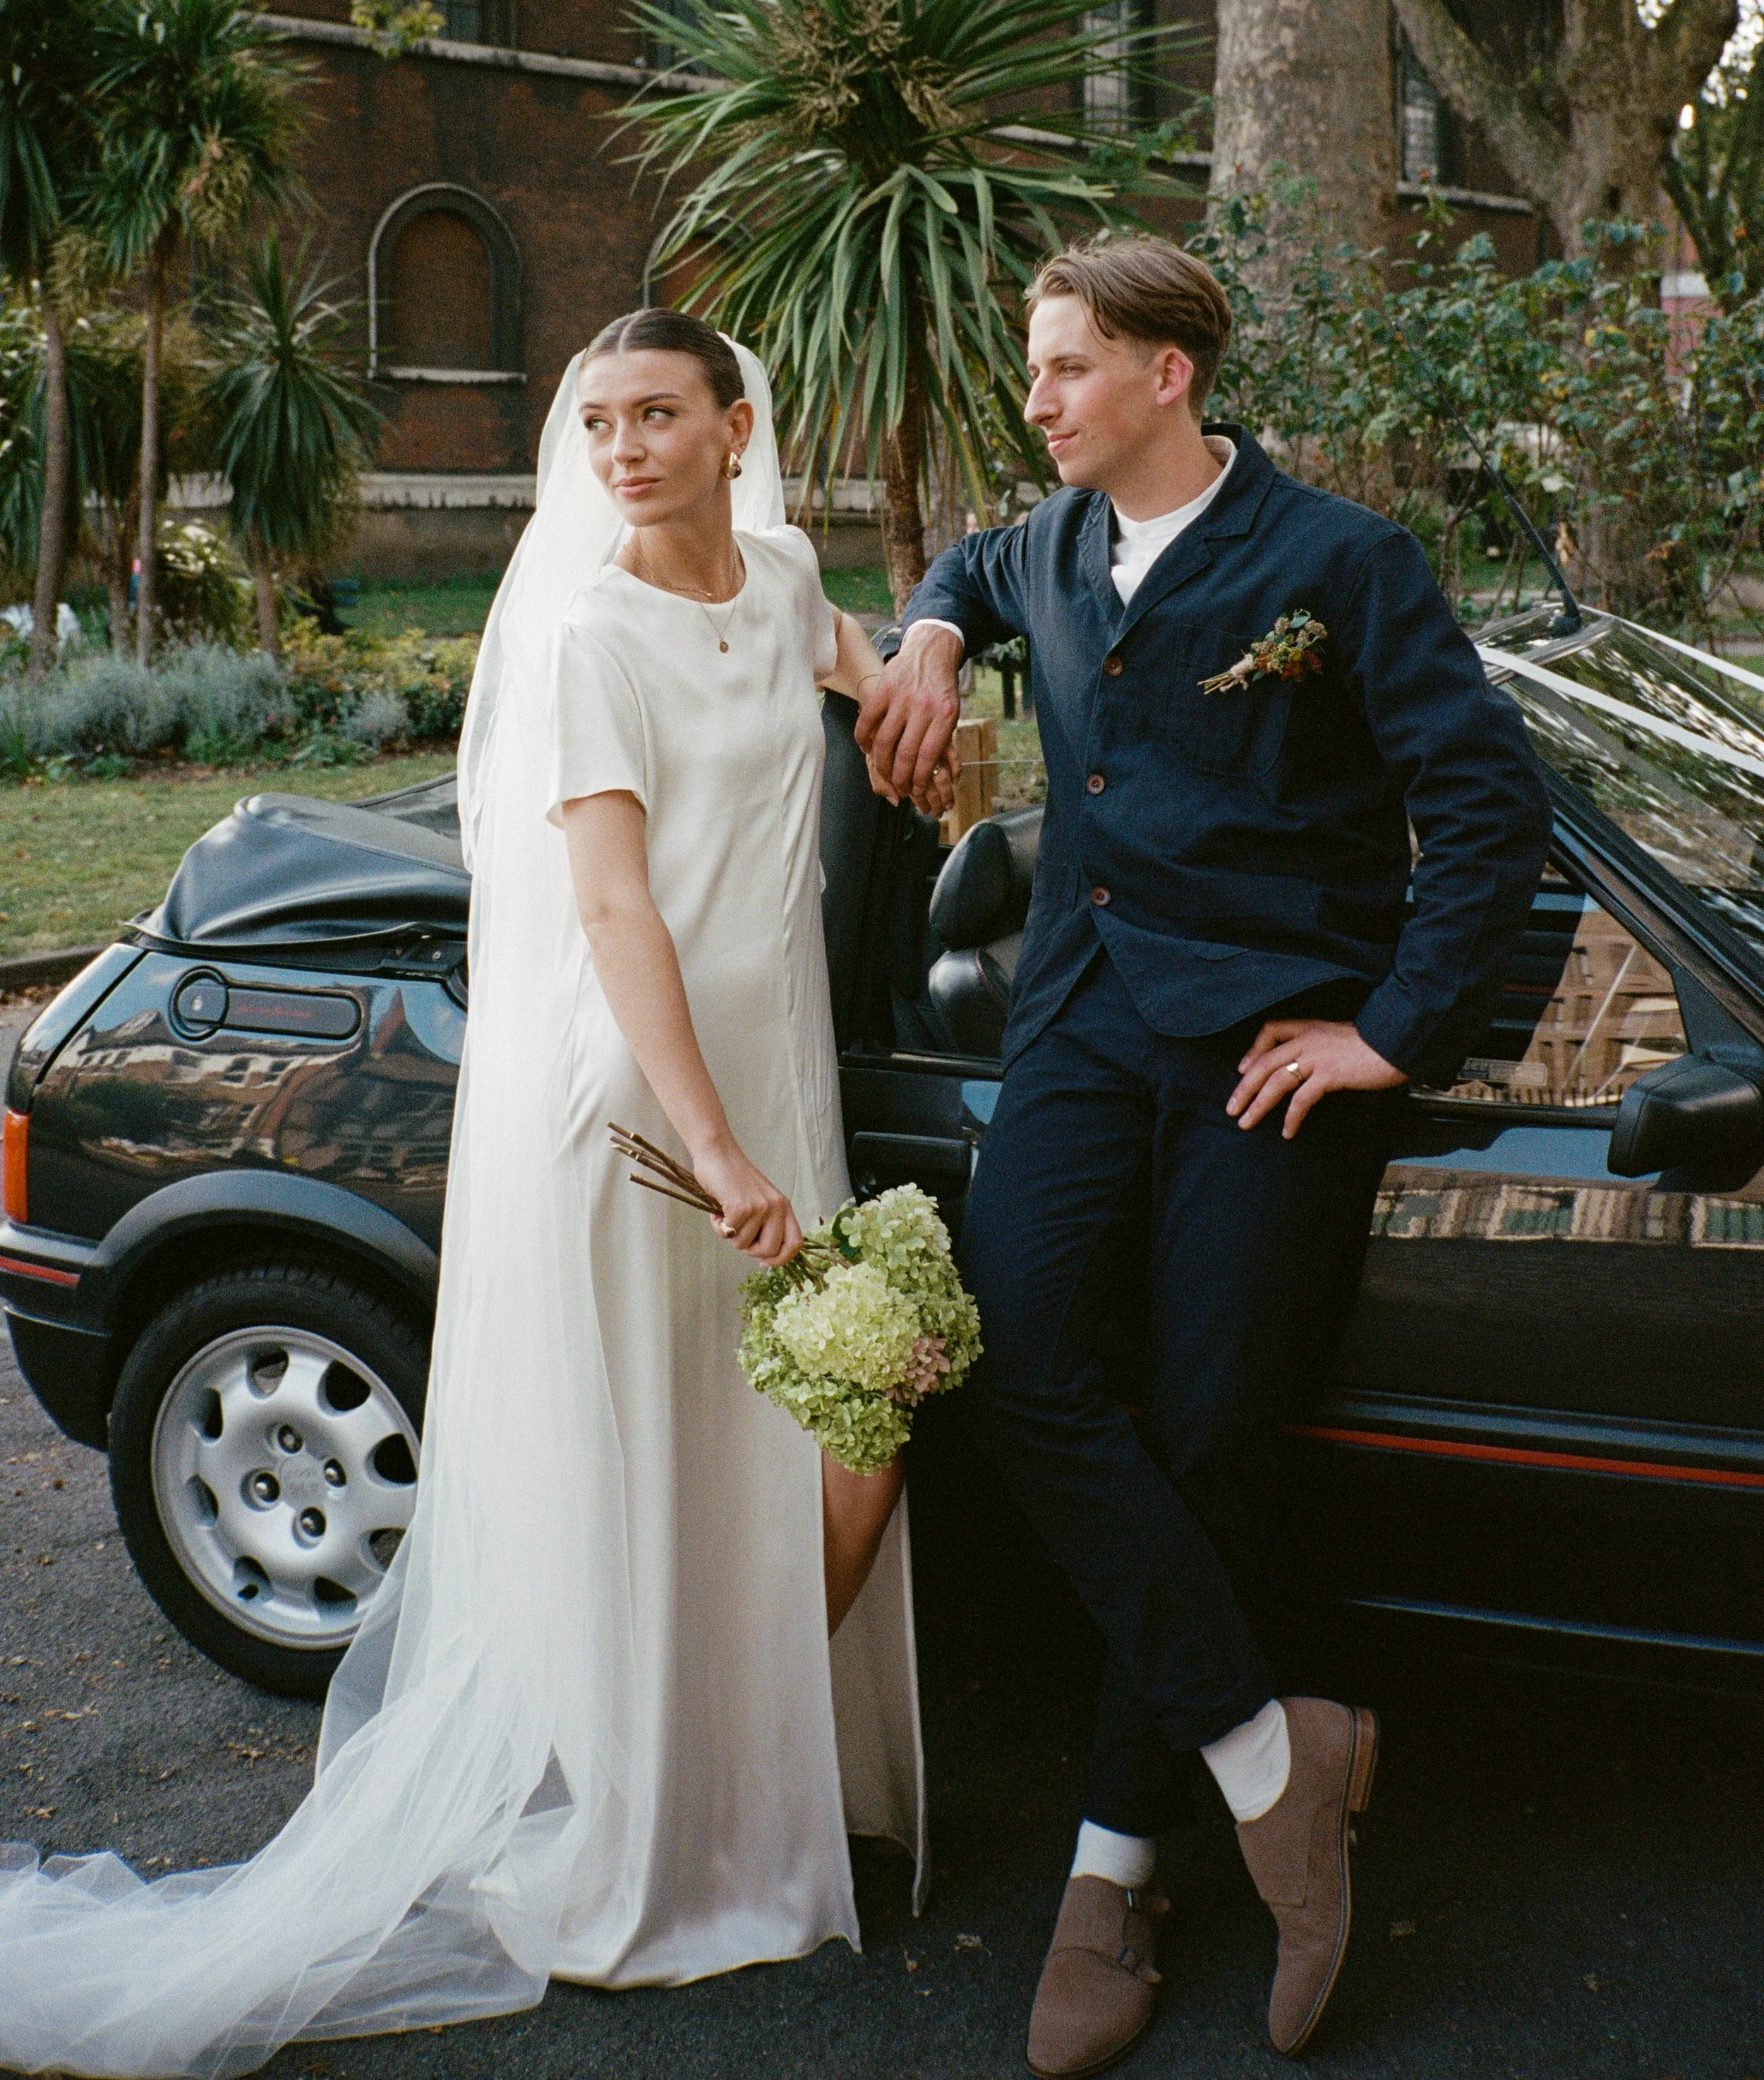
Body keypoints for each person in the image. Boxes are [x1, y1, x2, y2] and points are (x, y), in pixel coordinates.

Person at [0, 313, 926, 2078]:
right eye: (595, 423)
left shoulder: (788, 566)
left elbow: (834, 650)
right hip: (652, 1103)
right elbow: (611, 915)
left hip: (782, 1071)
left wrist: (912, 687)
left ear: (738, 431)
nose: (622, 448)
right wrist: (717, 1146)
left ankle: (759, 1789)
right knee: (662, 1455)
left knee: (791, 1433)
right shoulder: (583, 633)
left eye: (656, 416)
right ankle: (668, 1840)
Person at [857, 235, 1552, 2074]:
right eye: (1032, 368)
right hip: (1078, 1022)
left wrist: (1390, 1029)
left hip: (1269, 1056)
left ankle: (1108, 1868)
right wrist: (931, 628)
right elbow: (969, 569)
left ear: (1169, 374)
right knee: (1022, 1372)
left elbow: (1483, 801)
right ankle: (1276, 1756)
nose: (1036, 399)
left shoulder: (1336, 566)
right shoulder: (1055, 544)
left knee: (1210, 1433)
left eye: (1065, 369)